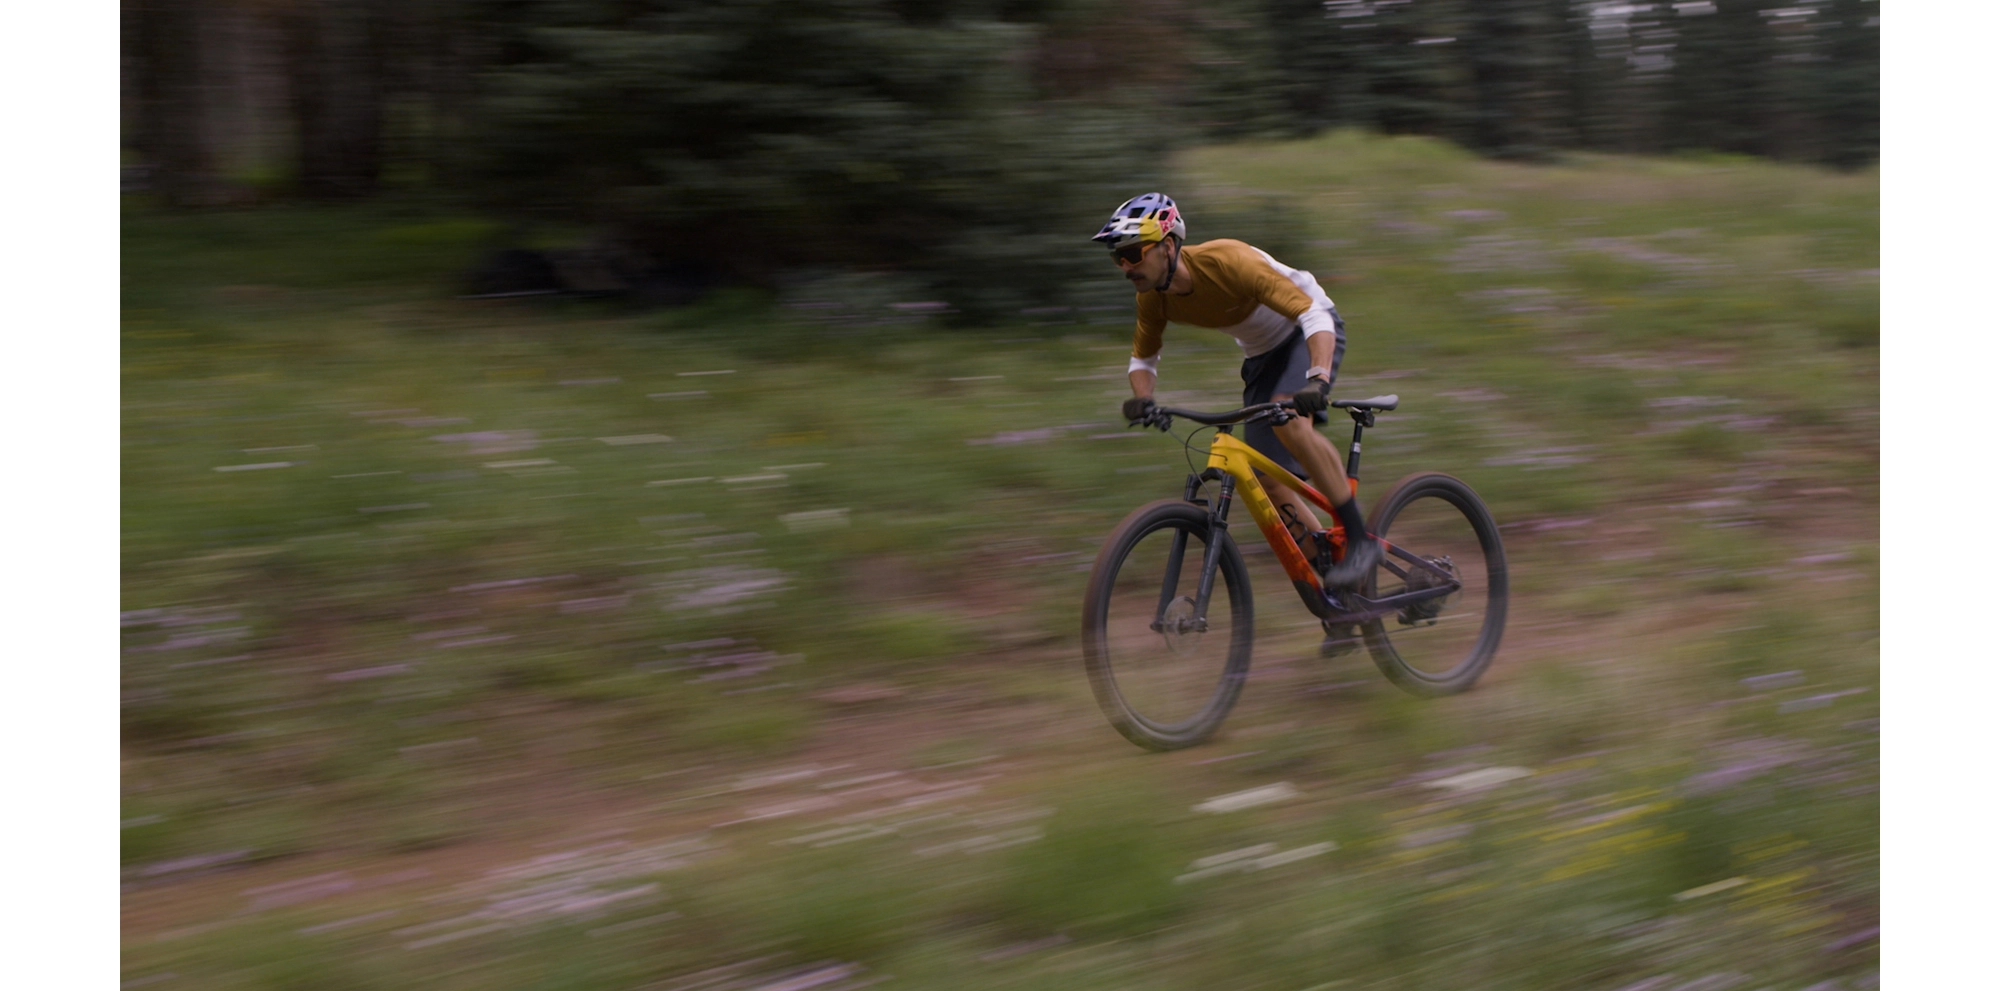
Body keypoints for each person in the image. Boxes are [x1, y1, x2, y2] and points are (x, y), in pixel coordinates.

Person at [1092, 192, 1382, 595]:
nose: (1126, 267)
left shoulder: (1228, 261)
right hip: (1262, 356)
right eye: (1117, 258)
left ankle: (1360, 540)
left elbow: (1311, 313)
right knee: (1264, 480)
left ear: (1168, 246)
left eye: (1133, 254)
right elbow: (1143, 359)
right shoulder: (1153, 299)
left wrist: (1317, 378)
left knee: (1290, 422)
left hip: (1307, 331)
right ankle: (1337, 585)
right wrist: (1144, 399)